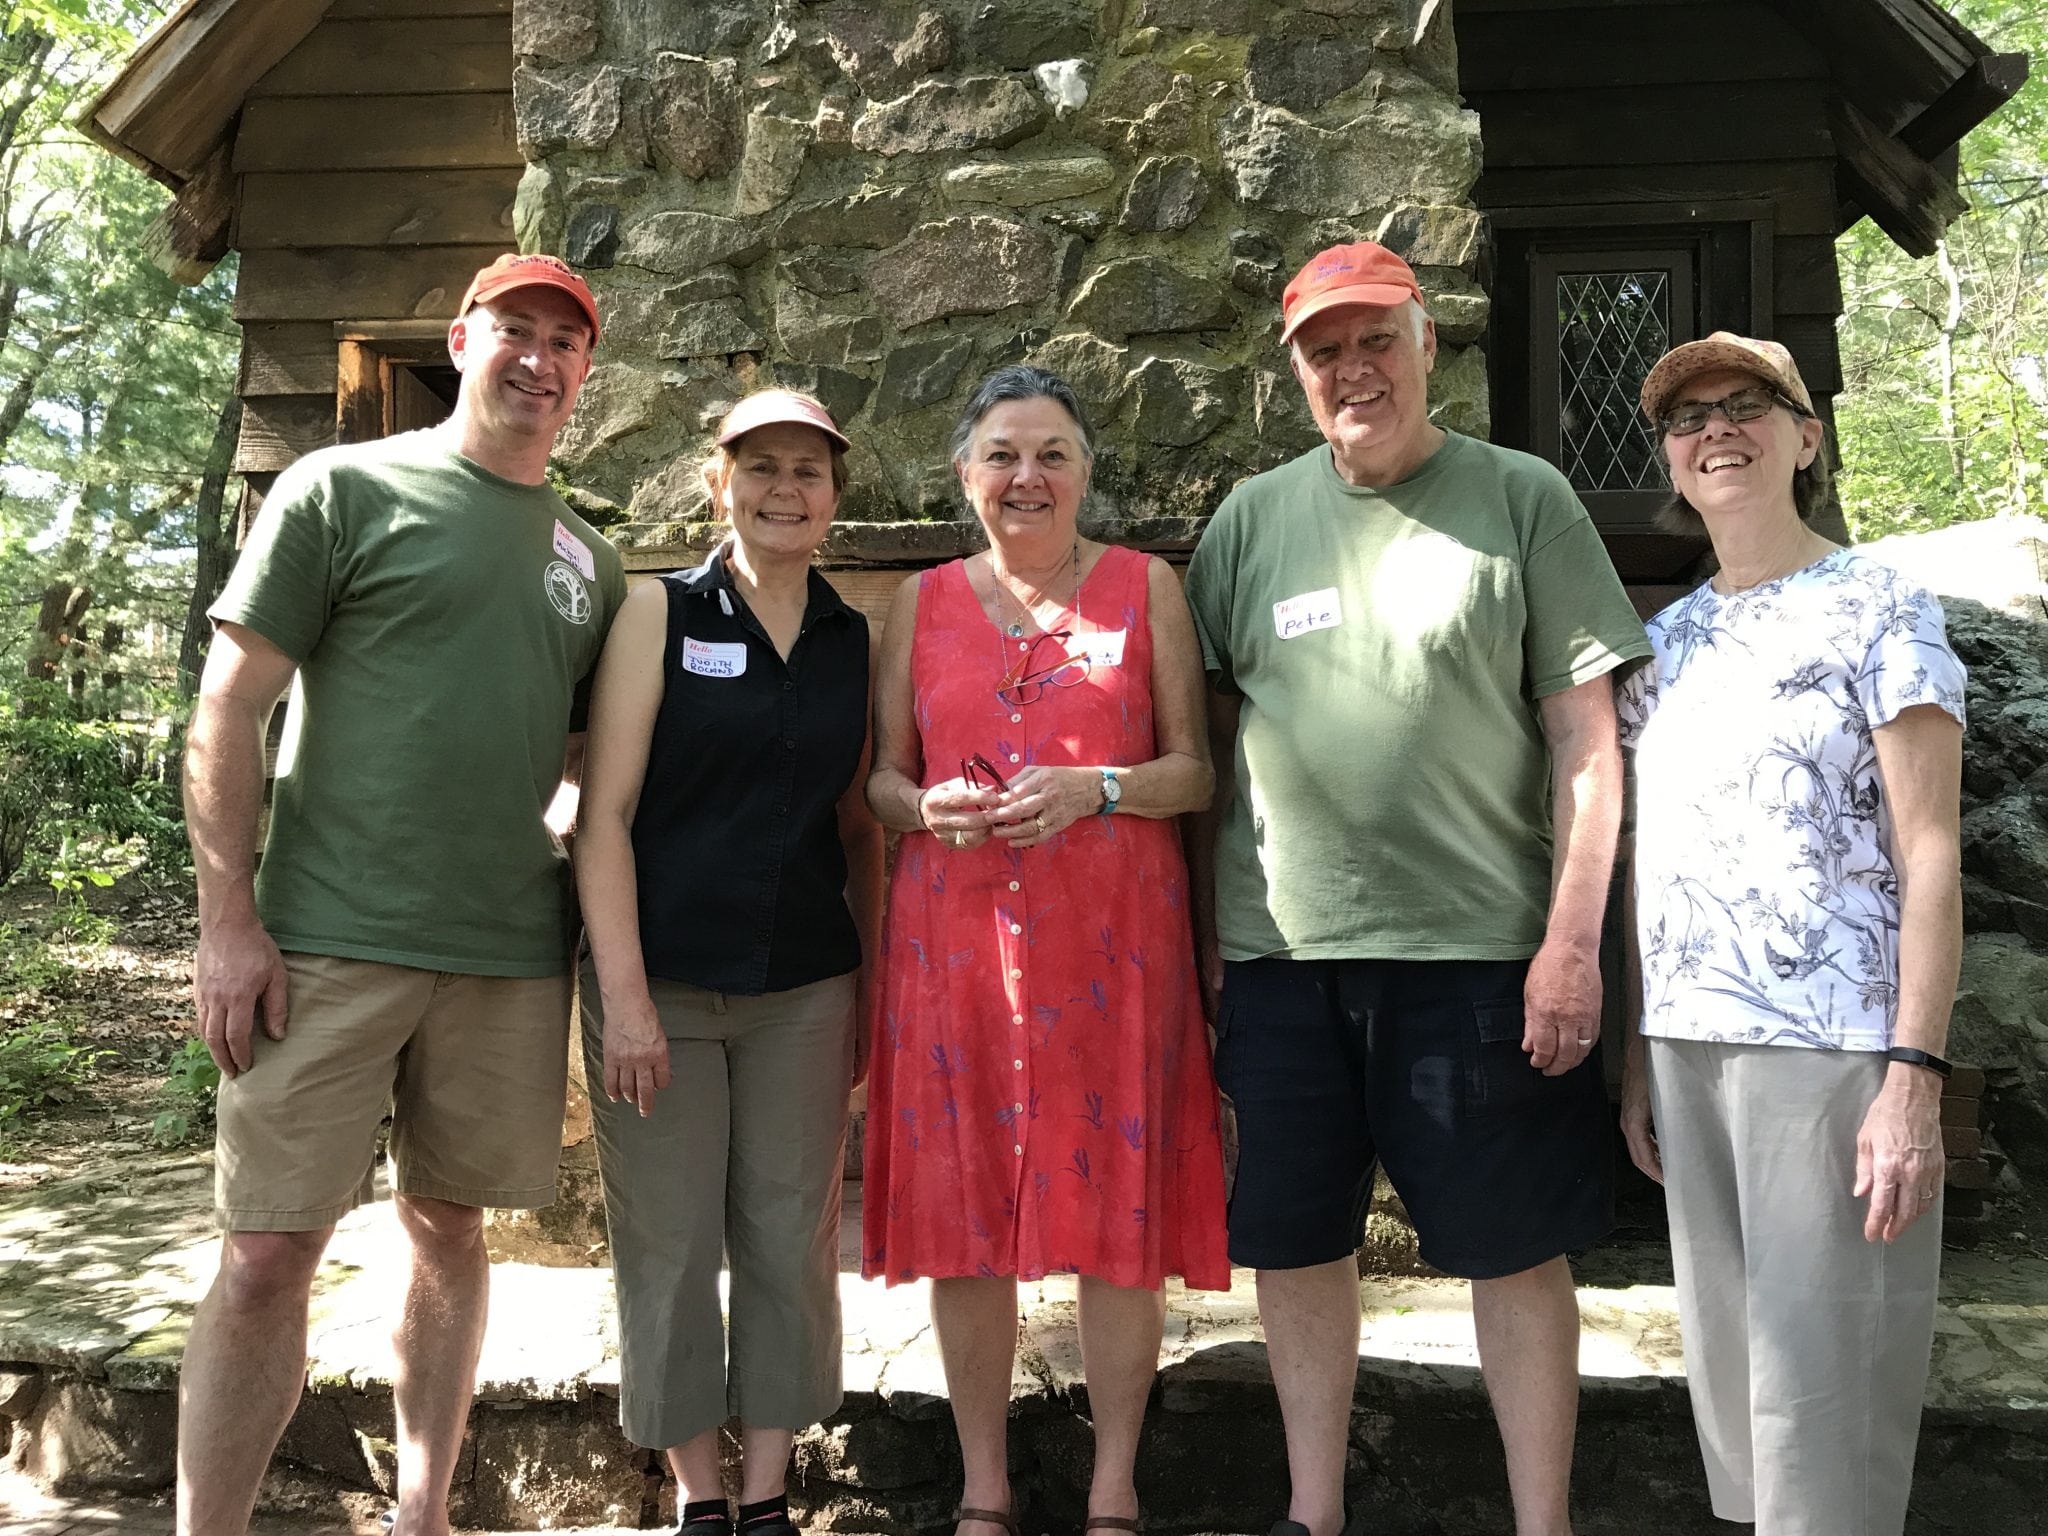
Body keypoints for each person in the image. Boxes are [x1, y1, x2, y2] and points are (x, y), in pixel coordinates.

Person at [1183, 241, 1652, 1536]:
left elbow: (1588, 746)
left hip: (1483, 960)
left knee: (1511, 1247)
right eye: (1324, 349)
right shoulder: (1250, 522)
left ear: (1427, 339)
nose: (1353, 368)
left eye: (1375, 338)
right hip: (1282, 955)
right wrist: (1202, 945)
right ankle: (1314, 1514)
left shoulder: (1521, 498)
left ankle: (1540, 1523)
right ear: (1297, 371)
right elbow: (1213, 744)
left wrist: (1574, 946)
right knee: (1292, 1242)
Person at [180, 251, 623, 1536]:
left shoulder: (586, 562)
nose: (538, 358)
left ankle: (422, 1518)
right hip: (320, 942)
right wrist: (227, 921)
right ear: (462, 339)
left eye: (566, 342)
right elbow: (229, 707)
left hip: (503, 955)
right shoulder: (340, 490)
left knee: (449, 1228)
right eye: (516, 331)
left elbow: (584, 765)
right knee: (267, 1254)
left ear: (584, 374)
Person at [862, 366, 1230, 1536]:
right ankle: (983, 1488)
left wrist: (1098, 787)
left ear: (1084, 473)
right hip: (955, 945)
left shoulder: (1144, 588)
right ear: (965, 476)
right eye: (1003, 455)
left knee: (1118, 1222)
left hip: (1112, 949)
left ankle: (1112, 1487)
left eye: (1053, 454)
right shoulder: (917, 605)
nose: (1028, 476)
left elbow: (1193, 773)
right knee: (963, 1216)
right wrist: (922, 811)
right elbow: (878, 780)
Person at [1617, 334, 1965, 1535]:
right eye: (1687, 416)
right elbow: (1646, 857)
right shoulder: (1665, 642)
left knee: (1823, 1390)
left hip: (1828, 1051)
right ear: (1667, 455)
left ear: (1803, 438)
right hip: (1685, 1044)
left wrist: (1910, 1079)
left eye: (1746, 406)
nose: (1716, 430)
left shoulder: (1885, 607)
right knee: (1737, 1396)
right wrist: (1632, 1058)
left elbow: (1929, 852)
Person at [573, 388, 884, 1536]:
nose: (783, 489)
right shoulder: (659, 613)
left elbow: (859, 830)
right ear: (719, 484)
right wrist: (627, 1003)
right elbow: (600, 817)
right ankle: (698, 1498)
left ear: (834, 499)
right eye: (759, 467)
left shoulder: (856, 641)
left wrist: (875, 993)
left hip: (805, 986)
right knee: (667, 1238)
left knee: (788, 1236)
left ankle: (765, 1496)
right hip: (656, 984)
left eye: (807, 470)